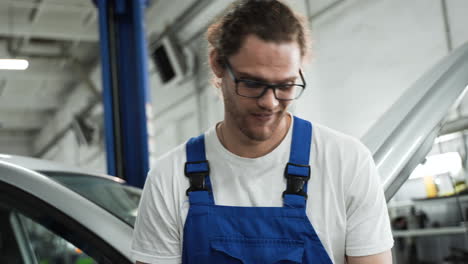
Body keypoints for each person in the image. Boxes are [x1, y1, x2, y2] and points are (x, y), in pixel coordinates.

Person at [131, 0, 394, 263]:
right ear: (218, 64)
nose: (270, 102)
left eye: (286, 85)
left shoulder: (346, 162)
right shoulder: (170, 179)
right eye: (253, 83)